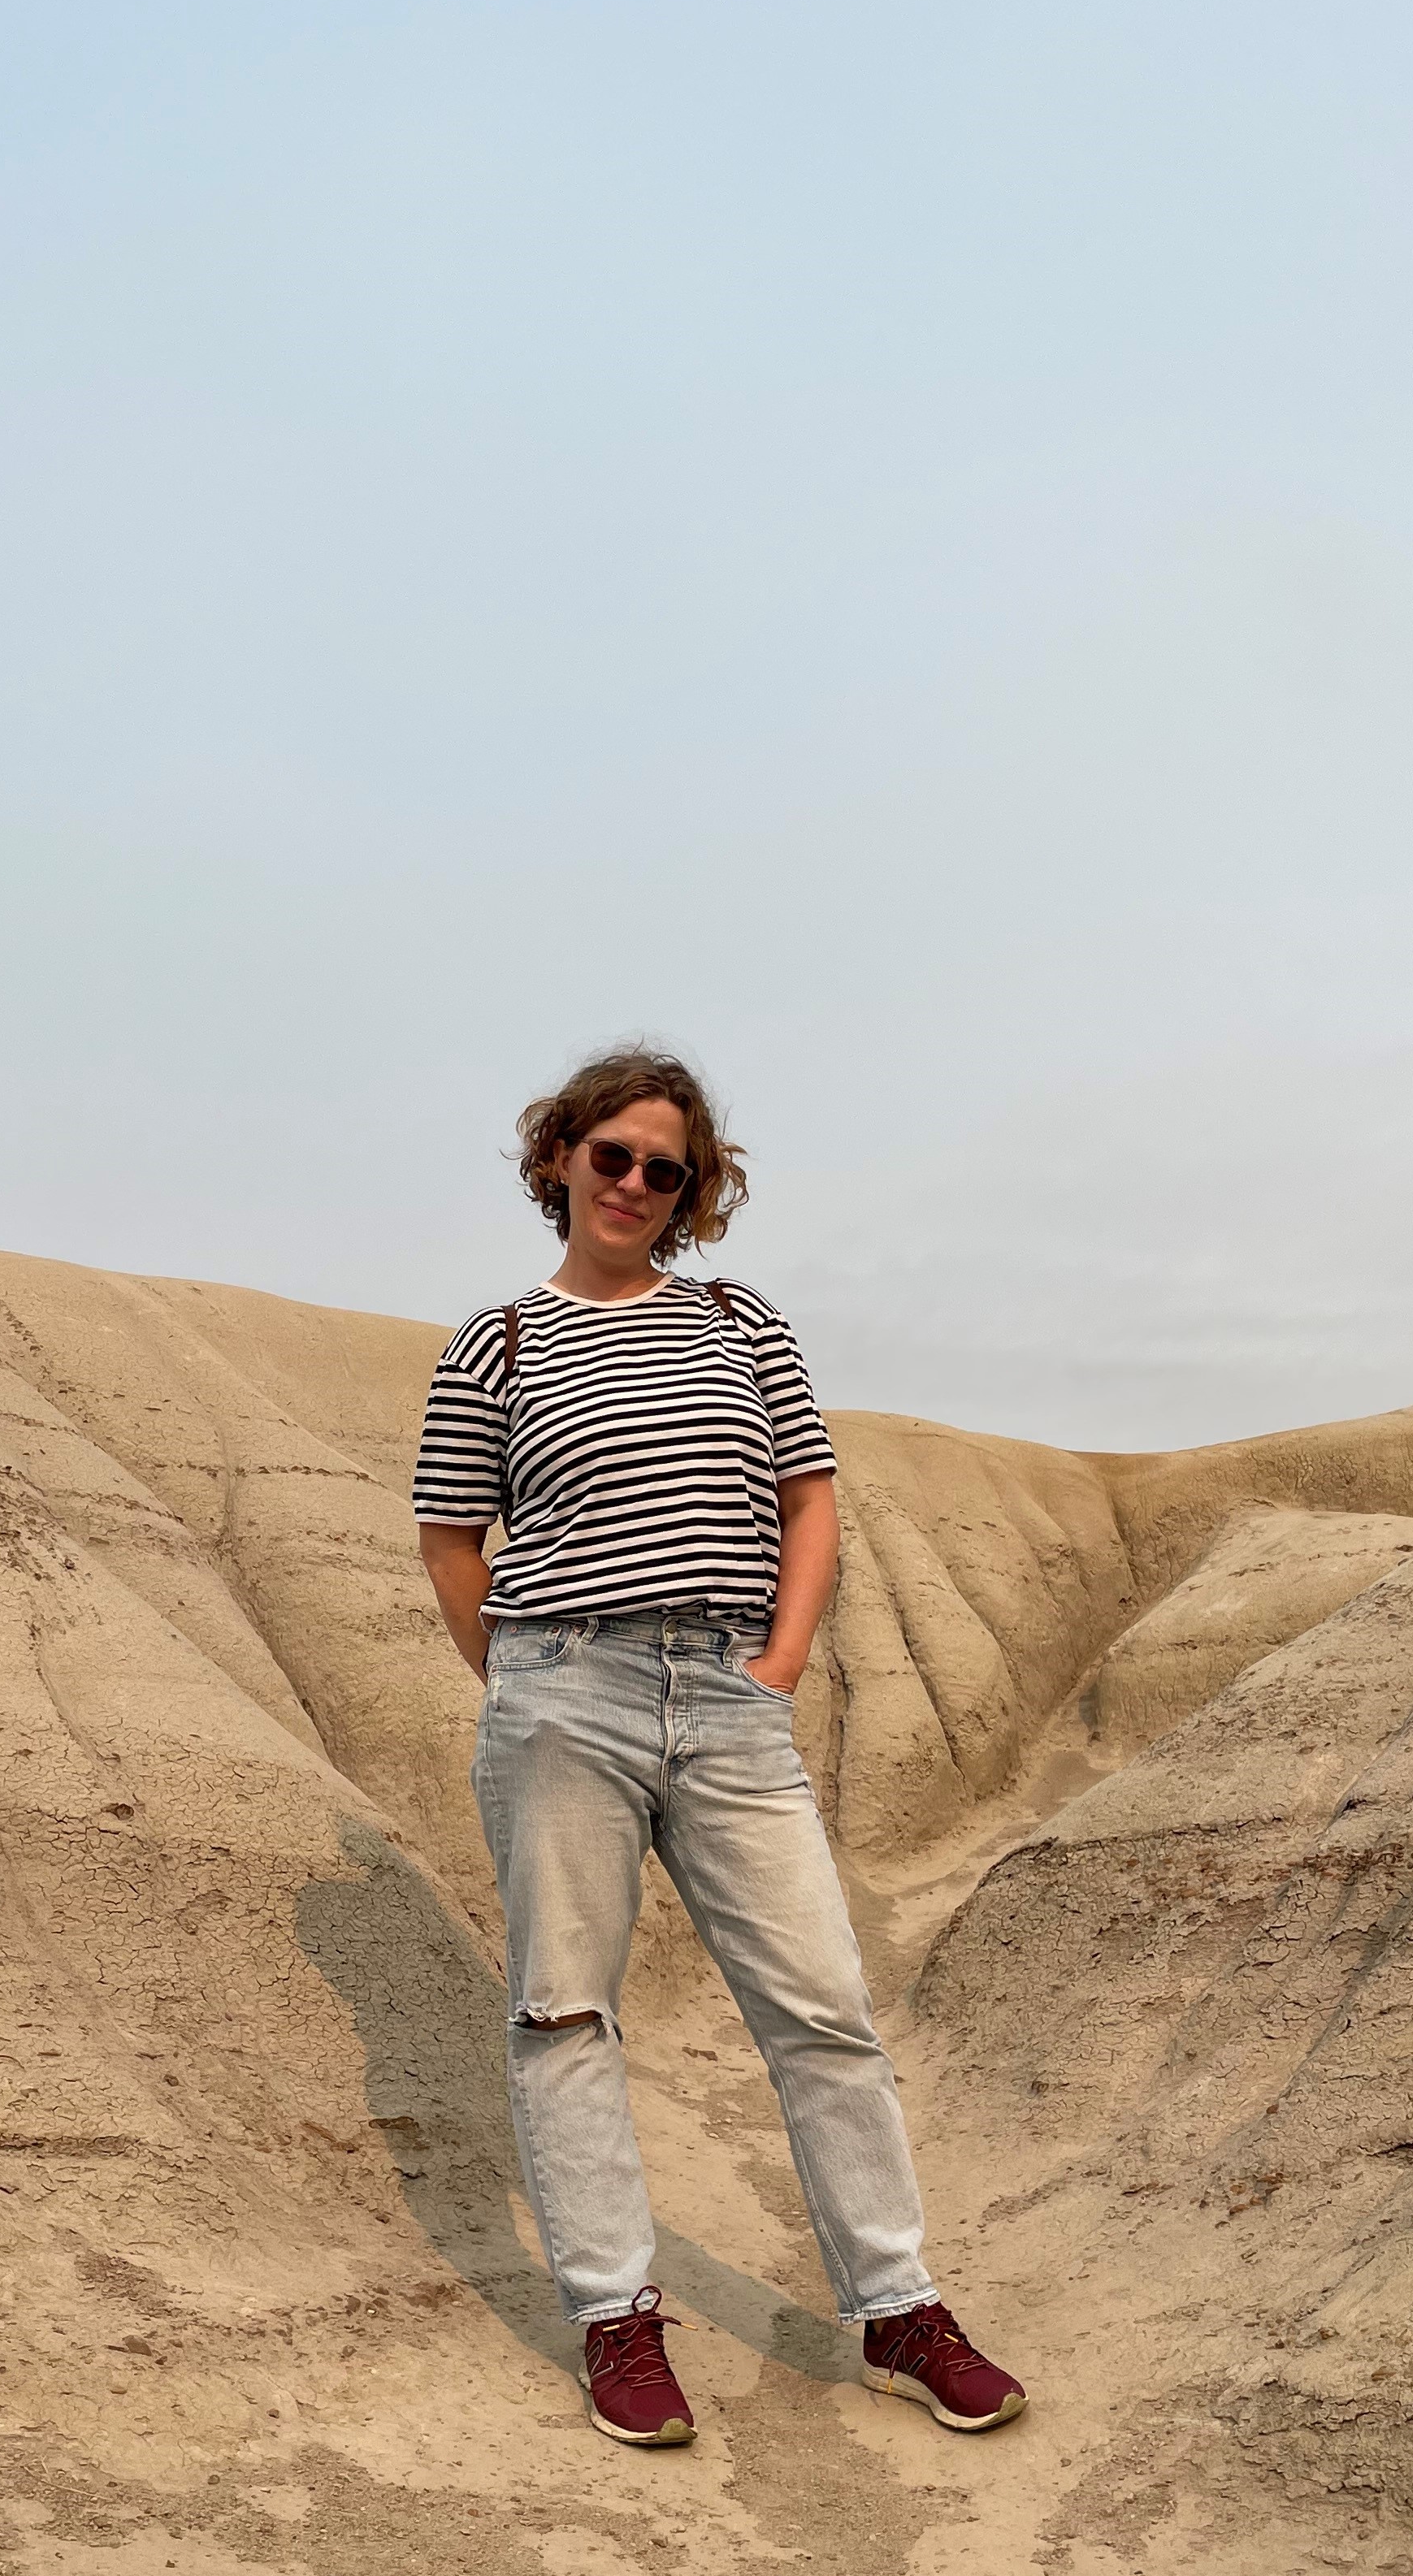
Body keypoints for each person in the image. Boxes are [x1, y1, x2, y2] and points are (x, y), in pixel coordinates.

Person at [412, 1046, 1025, 2450]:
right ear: (560, 1157)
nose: (634, 1183)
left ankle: (898, 2310)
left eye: (664, 1169)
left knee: (824, 2008)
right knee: (565, 2013)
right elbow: (453, 1537)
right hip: (566, 1690)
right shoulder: (496, 1340)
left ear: (692, 1193)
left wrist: (783, 1660)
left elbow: (809, 1503)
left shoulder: (741, 1320)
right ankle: (616, 2319)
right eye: (611, 1154)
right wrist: (520, 1676)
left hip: (731, 1697)